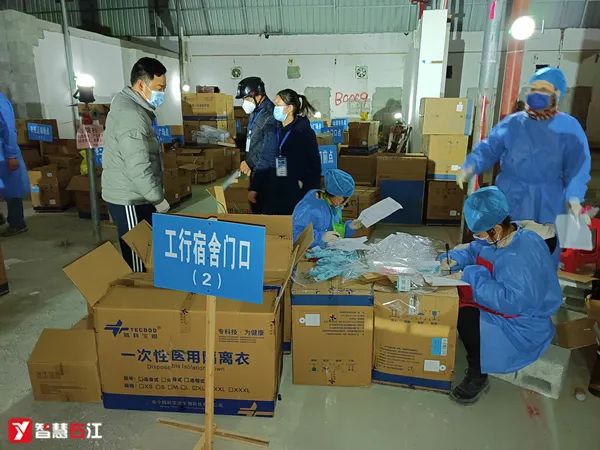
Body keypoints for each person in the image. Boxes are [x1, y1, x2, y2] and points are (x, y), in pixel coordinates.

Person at [438, 187, 562, 404]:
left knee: (465, 316)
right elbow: (474, 250)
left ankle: (477, 375)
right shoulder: (503, 235)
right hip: (501, 305)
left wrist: (470, 275)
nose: (478, 237)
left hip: (521, 324)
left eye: (480, 233)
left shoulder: (522, 254)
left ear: (495, 228)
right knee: (458, 298)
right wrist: (454, 259)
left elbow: (512, 302)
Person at [458, 67, 591, 235]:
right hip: (512, 195)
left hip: (548, 199)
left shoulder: (568, 126)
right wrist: (470, 165)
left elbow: (578, 167)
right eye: (533, 89)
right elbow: (489, 147)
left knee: (543, 242)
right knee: (507, 240)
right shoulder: (513, 123)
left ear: (557, 93)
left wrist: (574, 200)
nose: (537, 93)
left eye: (543, 89)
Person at [102, 57, 170, 272]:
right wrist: (157, 198)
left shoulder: (133, 107)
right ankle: (138, 290)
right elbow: (138, 165)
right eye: (159, 88)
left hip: (136, 193)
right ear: (141, 85)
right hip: (129, 198)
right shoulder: (131, 115)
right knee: (138, 256)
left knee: (147, 251)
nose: (162, 94)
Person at [263, 89, 322, 215]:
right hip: (274, 188)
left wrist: (312, 191)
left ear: (289, 108)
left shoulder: (303, 132)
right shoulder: (275, 129)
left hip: (295, 191)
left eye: (278, 105)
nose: (274, 108)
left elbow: (314, 164)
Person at [235, 77, 277, 214]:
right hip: (256, 170)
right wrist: (236, 141)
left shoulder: (270, 115)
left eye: (246, 98)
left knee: (265, 211)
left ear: (257, 95)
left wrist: (249, 162)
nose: (244, 103)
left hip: (266, 172)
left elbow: (268, 149)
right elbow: (254, 139)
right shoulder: (256, 111)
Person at [292, 169, 362, 247]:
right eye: (344, 199)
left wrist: (349, 227)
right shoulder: (309, 207)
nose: (344, 203)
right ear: (338, 196)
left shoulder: (334, 206)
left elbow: (335, 233)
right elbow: (294, 235)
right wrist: (320, 237)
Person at [0, 92, 30, 236]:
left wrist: (11, 155)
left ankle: (17, 223)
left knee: (12, 190)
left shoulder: (1, 103)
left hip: (4, 152)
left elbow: (9, 130)